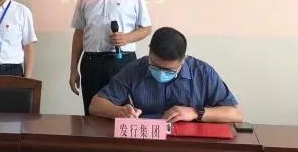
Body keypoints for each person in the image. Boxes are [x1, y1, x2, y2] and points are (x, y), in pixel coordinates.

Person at [89, 26, 242, 123]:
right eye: (155, 66)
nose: (161, 73)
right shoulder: (135, 69)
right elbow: (95, 105)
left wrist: (196, 112)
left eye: (169, 70)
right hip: (148, 142)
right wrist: (118, 112)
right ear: (149, 52)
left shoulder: (202, 72)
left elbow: (235, 114)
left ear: (183, 60)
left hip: (191, 144)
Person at [69, 0, 151, 115]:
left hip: (123, 62)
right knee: (92, 113)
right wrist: (73, 69)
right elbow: (79, 32)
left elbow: (146, 28)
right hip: (91, 62)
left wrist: (127, 38)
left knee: (124, 114)